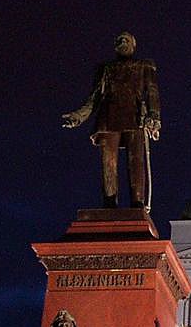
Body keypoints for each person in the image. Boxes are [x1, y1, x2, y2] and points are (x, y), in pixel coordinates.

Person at [62, 32, 161, 208]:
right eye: (119, 40)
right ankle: (110, 201)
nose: (123, 42)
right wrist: (78, 117)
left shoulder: (144, 66)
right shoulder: (106, 68)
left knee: (136, 161)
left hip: (135, 116)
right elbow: (94, 98)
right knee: (109, 162)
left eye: (126, 40)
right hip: (108, 117)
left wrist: (154, 116)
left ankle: (137, 203)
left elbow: (152, 92)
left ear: (133, 45)